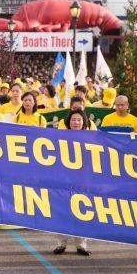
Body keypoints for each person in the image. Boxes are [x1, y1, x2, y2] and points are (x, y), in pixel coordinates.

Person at [53, 108, 91, 256]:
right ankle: (61, 243)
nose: (76, 122)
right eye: (74, 119)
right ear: (69, 122)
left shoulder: (91, 137)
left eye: (79, 120)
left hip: (83, 181)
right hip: (63, 181)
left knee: (82, 212)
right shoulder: (60, 137)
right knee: (61, 211)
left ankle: (81, 245)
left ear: (84, 122)